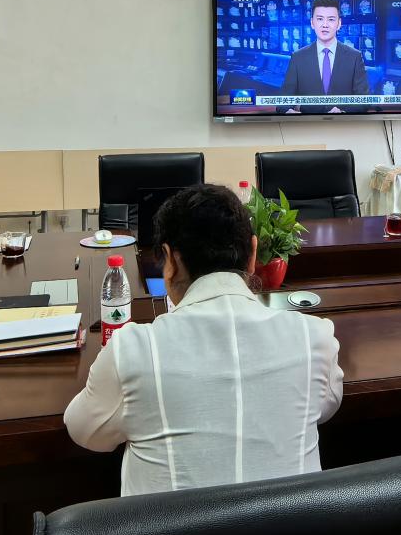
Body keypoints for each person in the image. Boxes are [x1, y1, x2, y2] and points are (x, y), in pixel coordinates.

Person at [64, 183, 343, 494]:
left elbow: (83, 430)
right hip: (291, 522)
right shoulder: (314, 338)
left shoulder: (132, 351)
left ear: (170, 260)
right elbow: (327, 406)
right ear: (253, 253)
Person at [280, 0, 369, 108]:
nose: (325, 25)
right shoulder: (298, 57)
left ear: (339, 24)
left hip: (343, 119)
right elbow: (283, 101)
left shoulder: (354, 57)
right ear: (312, 23)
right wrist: (288, 110)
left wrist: (343, 113)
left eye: (331, 19)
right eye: (320, 19)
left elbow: (364, 100)